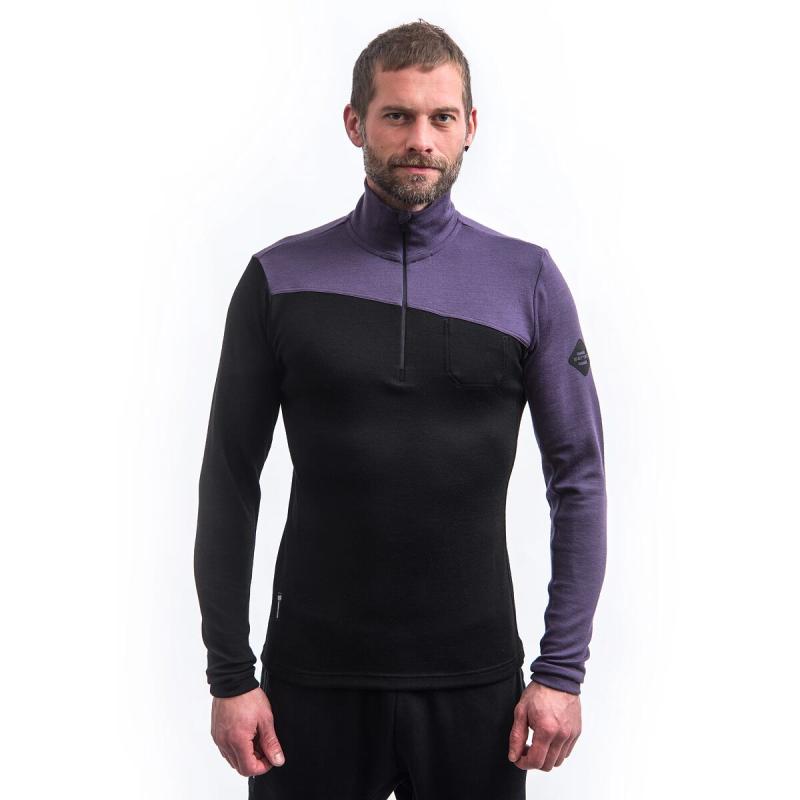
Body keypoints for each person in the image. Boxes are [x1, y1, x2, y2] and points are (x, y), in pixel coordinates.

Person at [193, 18, 607, 800]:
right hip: (309, 685)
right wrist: (230, 674)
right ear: (356, 123)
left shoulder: (527, 281)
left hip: (477, 688)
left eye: (441, 117)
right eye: (397, 115)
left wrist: (561, 671)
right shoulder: (279, 279)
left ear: (470, 126)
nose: (421, 139)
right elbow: (228, 480)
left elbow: (578, 477)